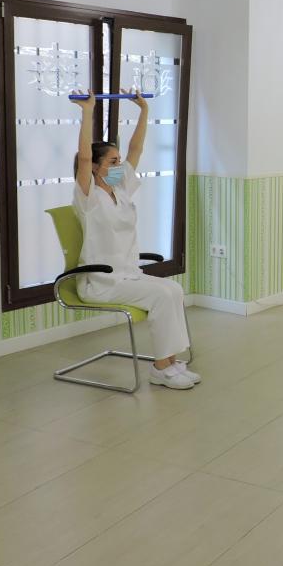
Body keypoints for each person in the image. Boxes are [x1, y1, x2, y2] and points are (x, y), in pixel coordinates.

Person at [71, 91, 198, 390]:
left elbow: (136, 148)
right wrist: (87, 111)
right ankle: (161, 368)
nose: (119, 164)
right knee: (161, 296)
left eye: (118, 160)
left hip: (128, 274)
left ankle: (169, 362)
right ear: (94, 167)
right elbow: (85, 155)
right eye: (112, 161)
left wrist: (144, 109)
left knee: (174, 289)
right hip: (100, 282)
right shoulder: (88, 196)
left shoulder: (120, 187)